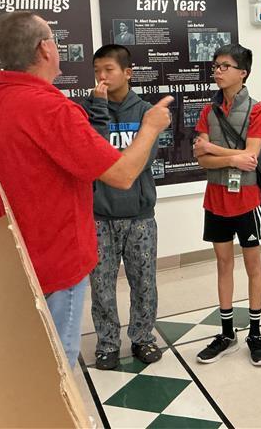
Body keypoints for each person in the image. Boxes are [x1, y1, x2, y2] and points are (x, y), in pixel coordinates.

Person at [0, 11, 172, 368]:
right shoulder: (54, 109)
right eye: (54, 41)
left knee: (30, 365)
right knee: (57, 368)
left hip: (11, 258)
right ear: (44, 49)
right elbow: (121, 175)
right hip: (56, 264)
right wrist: (150, 127)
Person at [192, 44, 261, 366]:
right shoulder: (207, 112)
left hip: (248, 199)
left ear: (243, 72)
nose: (217, 71)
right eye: (215, 66)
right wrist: (230, 156)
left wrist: (215, 150)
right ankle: (227, 333)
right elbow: (201, 157)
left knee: (253, 267)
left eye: (225, 66)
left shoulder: (257, 111)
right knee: (223, 264)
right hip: (216, 197)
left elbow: (251, 159)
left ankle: (255, 332)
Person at [81, 44, 162, 370]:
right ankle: (107, 344)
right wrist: (98, 108)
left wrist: (118, 161)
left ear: (128, 72)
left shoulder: (147, 112)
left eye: (109, 70)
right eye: (97, 70)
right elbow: (93, 156)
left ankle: (143, 338)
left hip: (139, 215)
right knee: (101, 286)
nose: (102, 76)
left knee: (144, 282)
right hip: (100, 216)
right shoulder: (87, 111)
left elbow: (142, 160)